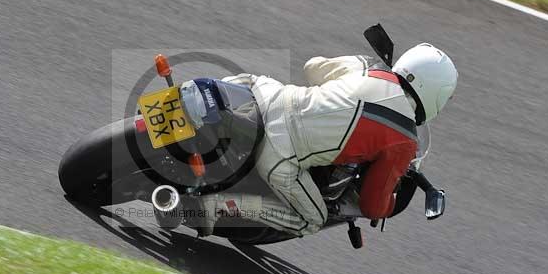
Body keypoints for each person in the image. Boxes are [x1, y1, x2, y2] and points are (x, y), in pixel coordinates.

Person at [195, 44, 458, 236]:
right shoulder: (404, 140)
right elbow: (371, 204)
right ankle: (219, 205)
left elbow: (311, 68)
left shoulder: (369, 66)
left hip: (269, 95)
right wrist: (389, 205)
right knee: (312, 218)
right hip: (280, 151)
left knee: (241, 83)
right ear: (438, 94)